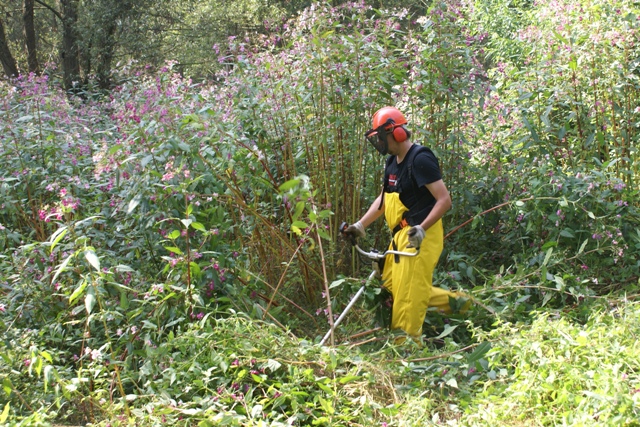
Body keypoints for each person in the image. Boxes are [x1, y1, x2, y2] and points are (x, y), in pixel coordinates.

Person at [345, 106, 469, 341]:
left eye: (381, 137)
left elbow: (444, 200)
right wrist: (360, 225)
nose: (379, 143)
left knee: (408, 297)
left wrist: (422, 228)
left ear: (396, 133)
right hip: (400, 237)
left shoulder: (420, 159)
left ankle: (407, 350)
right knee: (394, 287)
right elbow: (383, 201)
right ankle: (464, 306)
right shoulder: (392, 162)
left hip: (421, 236)